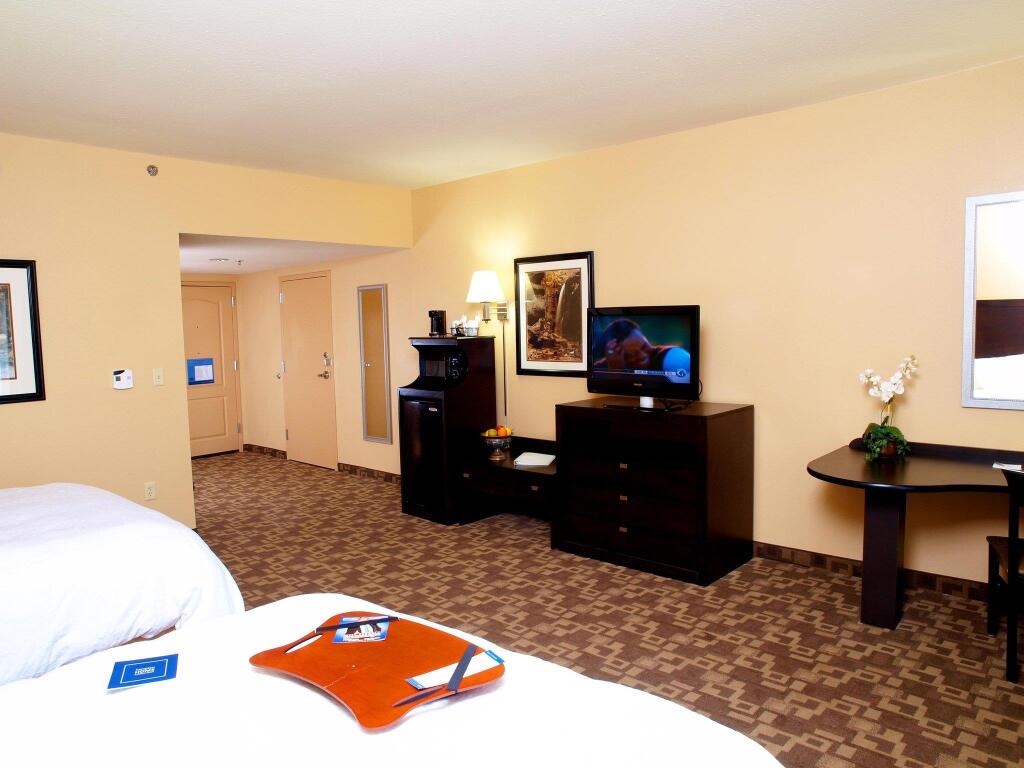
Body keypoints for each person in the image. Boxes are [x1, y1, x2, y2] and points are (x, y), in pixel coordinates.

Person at [592, 319, 690, 382]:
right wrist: (616, 370)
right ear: (615, 356)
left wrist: (620, 373)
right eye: (631, 355)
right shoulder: (604, 367)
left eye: (644, 346)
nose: (642, 356)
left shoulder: (674, 356)